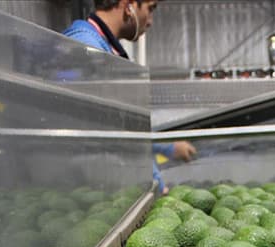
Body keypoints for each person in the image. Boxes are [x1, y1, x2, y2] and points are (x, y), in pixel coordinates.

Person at [63, 0, 196, 192]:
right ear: (128, 5)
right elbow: (113, 135)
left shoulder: (103, 49)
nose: (150, 21)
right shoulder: (87, 48)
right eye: (150, 9)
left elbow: (126, 124)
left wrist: (168, 147)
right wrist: (155, 181)